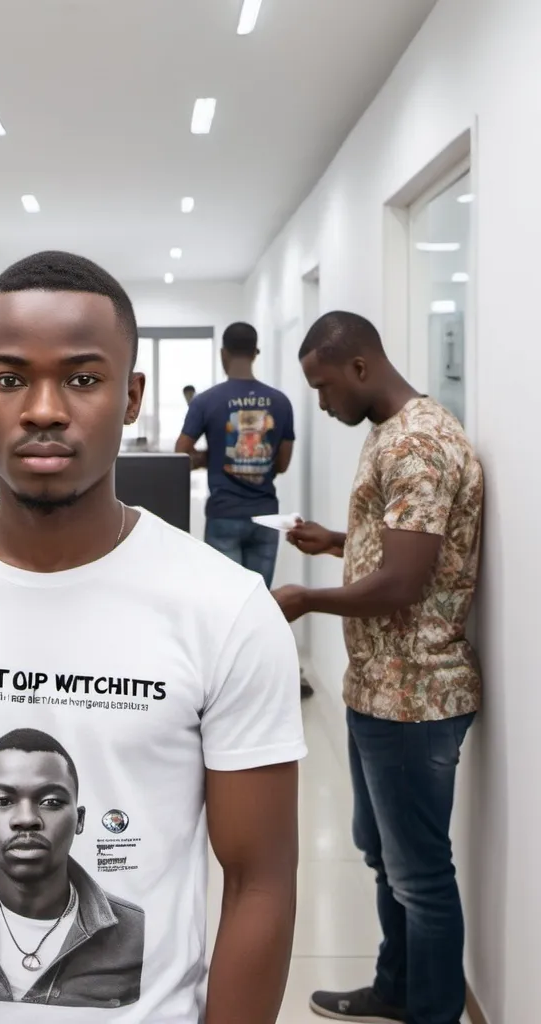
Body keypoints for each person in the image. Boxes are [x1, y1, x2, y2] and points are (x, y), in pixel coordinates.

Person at [0, 251, 306, 1023]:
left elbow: (261, 881)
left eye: (84, 379)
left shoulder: (224, 608)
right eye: (11, 377)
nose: (45, 409)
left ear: (131, 396)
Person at [271, 311, 483, 1024]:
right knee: (382, 857)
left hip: (416, 696)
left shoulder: (420, 444)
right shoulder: (389, 435)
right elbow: (399, 547)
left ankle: (433, 1011)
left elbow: (400, 584)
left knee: (421, 877)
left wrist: (303, 599)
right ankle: (395, 989)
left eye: (324, 387)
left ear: (360, 366)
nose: (323, 404)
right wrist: (336, 540)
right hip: (377, 689)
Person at [0, 728, 145, 1006]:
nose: (26, 819)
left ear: (79, 820)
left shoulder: (134, 931)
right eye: (3, 801)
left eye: (50, 802)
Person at [175, 322, 294, 589]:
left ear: (222, 354)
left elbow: (180, 454)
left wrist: (211, 457)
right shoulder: (280, 402)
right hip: (266, 515)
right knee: (259, 599)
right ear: (256, 353)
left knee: (224, 601)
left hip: (223, 513)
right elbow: (283, 464)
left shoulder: (205, 401)